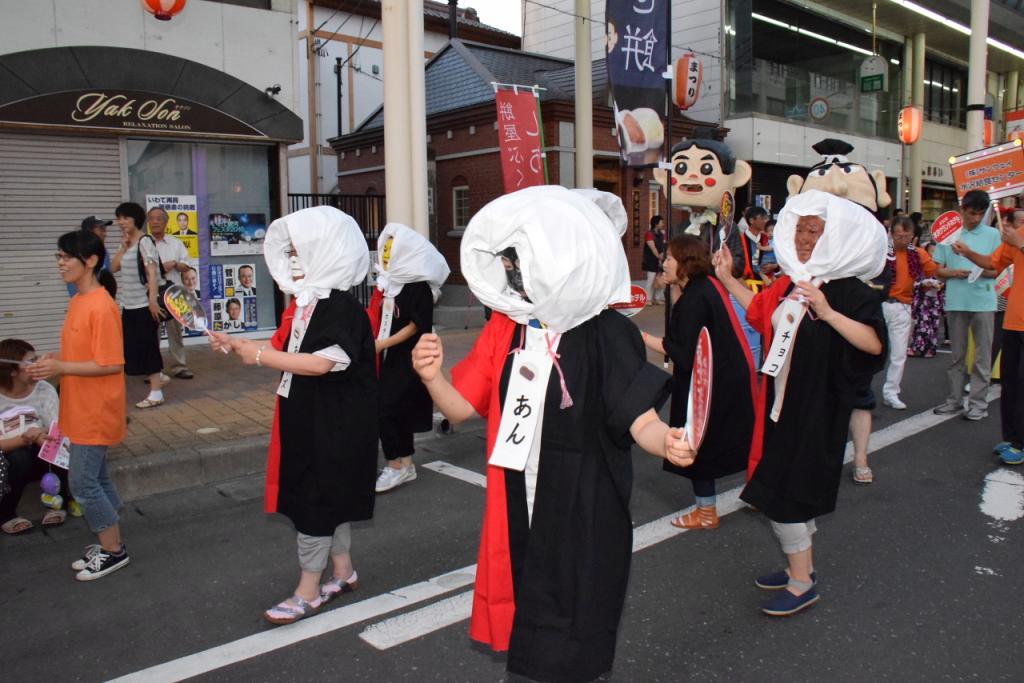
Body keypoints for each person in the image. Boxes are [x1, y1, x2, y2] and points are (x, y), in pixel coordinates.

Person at [411, 186, 693, 681]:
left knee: (579, 618)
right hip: (519, 501)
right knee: (531, 616)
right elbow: (462, 405)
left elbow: (639, 418)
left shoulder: (608, 332)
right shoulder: (509, 327)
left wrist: (666, 439)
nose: (515, 276)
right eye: (510, 265)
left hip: (586, 502)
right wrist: (432, 376)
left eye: (521, 263)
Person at [715, 190, 886, 617]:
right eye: (800, 228)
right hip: (779, 406)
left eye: (815, 229)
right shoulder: (791, 282)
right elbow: (760, 311)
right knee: (787, 489)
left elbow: (874, 345)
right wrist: (728, 277)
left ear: (839, 236)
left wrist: (828, 312)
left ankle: (801, 581)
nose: (804, 237)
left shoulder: (849, 289)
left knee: (781, 492)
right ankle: (800, 564)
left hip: (816, 409)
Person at [210, 205, 377, 624]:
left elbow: (321, 363)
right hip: (311, 417)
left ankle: (308, 590)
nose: (294, 262)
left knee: (315, 501)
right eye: (293, 252)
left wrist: (261, 355)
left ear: (329, 253)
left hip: (334, 425)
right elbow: (287, 347)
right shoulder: (307, 304)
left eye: (304, 252)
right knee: (328, 497)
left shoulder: (341, 309)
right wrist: (236, 344)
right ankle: (343, 572)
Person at [29, 230, 128, 580]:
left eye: (65, 257)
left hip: (96, 410)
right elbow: (82, 354)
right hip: (80, 404)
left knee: (83, 484)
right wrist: (52, 360)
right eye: (58, 256)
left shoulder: (102, 306)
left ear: (90, 261)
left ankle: (113, 550)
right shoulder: (78, 300)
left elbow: (112, 363)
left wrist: (60, 367)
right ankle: (110, 540)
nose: (60, 263)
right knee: (97, 478)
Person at [641, 235, 756, 530]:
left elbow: (679, 349)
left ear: (686, 263)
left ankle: (706, 512)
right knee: (732, 441)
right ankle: (760, 492)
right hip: (725, 379)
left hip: (706, 385)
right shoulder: (703, 289)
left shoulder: (694, 298)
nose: (663, 263)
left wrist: (637, 337)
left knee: (698, 444)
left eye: (668, 258)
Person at [369, 223, 450, 493]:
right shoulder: (390, 283)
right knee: (396, 411)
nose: (387, 255)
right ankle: (406, 464)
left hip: (410, 358)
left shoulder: (419, 287)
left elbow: (416, 325)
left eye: (392, 250)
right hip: (389, 356)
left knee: (385, 408)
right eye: (385, 250)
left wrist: (384, 344)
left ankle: (395, 466)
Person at [950, 207, 1024, 464]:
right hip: (1014, 322)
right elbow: (993, 263)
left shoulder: (1019, 237)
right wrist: (967, 252)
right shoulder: (1019, 234)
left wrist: (1021, 244)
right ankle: (1013, 437)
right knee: (1011, 383)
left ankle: (1019, 443)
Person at [932, 190, 1000, 420]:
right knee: (957, 356)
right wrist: (954, 272)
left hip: (984, 301)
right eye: (972, 213)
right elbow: (937, 270)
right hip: (956, 300)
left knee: (982, 357)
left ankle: (978, 405)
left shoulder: (993, 235)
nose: (976, 218)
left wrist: (972, 260)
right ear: (962, 209)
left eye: (980, 214)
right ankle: (954, 400)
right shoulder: (947, 234)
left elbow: (995, 270)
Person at [0, 339, 68, 534]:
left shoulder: (44, 389)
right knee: (19, 457)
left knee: (58, 443)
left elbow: (57, 426)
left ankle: (57, 504)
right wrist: (24, 438)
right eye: (31, 362)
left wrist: (40, 435)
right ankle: (6, 514)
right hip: (7, 463)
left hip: (41, 452)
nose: (38, 364)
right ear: (12, 371)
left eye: (37, 358)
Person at [110, 201, 167, 409]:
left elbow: (152, 273)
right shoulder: (127, 243)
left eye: (125, 218)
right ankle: (158, 379)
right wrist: (123, 247)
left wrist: (152, 302)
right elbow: (113, 267)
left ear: (136, 219)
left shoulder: (145, 242)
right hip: (129, 305)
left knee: (149, 346)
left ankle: (156, 392)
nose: (121, 222)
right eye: (119, 218)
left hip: (144, 305)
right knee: (134, 346)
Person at [881, 217, 939, 409]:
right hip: (878, 304)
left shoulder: (918, 253)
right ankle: (859, 390)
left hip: (902, 307)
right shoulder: (880, 250)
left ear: (913, 237)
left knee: (898, 354)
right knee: (868, 351)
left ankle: (891, 392)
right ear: (891, 233)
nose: (902, 240)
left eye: (907, 236)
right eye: (898, 236)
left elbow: (935, 269)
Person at [147, 207, 194, 380]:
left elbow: (186, 265)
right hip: (152, 293)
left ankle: (179, 366)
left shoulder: (175, 243)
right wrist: (157, 268)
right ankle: (154, 370)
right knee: (153, 332)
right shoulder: (145, 243)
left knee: (175, 331)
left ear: (166, 222)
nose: (155, 222)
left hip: (174, 293)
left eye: (159, 219)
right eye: (152, 219)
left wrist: (174, 263)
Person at [909, 241, 946, 358]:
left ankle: (931, 349)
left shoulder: (941, 269)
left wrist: (939, 285)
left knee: (933, 325)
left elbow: (944, 284)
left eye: (936, 252)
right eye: (931, 251)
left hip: (935, 301)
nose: (933, 255)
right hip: (922, 301)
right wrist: (923, 283)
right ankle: (916, 348)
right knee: (920, 324)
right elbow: (913, 284)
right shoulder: (920, 268)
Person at [67, 216, 114, 297]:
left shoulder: (104, 253)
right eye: (101, 230)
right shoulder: (78, 255)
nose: (105, 234)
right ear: (89, 232)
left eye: (105, 230)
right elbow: (73, 288)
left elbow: (108, 279)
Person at [642, 215, 666, 305]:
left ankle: (657, 298)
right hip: (651, 260)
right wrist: (659, 256)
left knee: (661, 279)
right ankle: (648, 299)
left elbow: (663, 246)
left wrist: (662, 256)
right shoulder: (649, 234)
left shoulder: (662, 234)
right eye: (661, 222)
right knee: (651, 279)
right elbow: (652, 247)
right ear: (656, 224)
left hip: (661, 259)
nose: (663, 224)